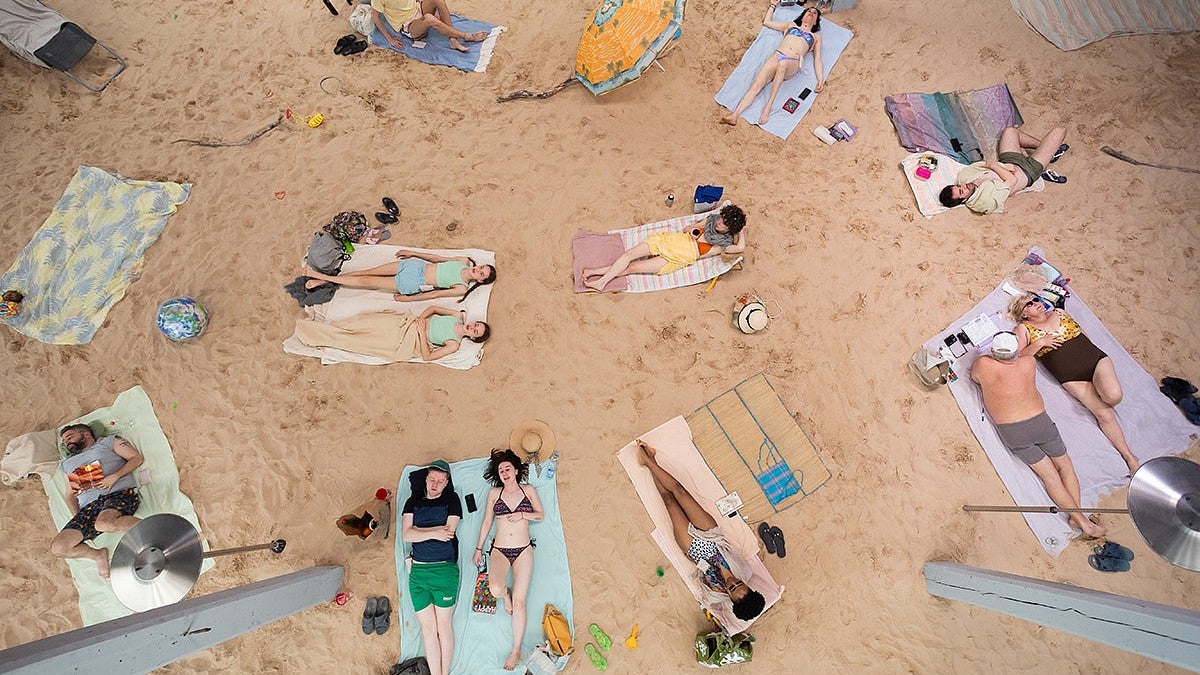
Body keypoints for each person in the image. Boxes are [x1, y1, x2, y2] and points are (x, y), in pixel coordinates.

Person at [971, 332, 1106, 537]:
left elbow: (976, 378)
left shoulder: (983, 364)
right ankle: (1078, 517)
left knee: (1049, 476)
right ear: (1016, 351)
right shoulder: (1028, 363)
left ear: (993, 352)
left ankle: (1080, 520)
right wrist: (1040, 343)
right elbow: (1024, 357)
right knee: (1065, 467)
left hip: (1012, 429)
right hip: (1039, 422)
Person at [636, 439, 767, 621]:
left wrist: (695, 561)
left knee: (669, 501)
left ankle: (650, 463)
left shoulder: (714, 595)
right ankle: (649, 461)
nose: (732, 582)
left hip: (694, 550)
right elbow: (727, 547)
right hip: (712, 537)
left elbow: (703, 584)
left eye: (731, 588)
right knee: (680, 492)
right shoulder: (745, 571)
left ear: (730, 599)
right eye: (739, 583)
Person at [1009, 292, 1140, 474]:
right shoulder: (1023, 329)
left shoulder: (1059, 313)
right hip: (1071, 377)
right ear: (1024, 314)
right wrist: (1040, 343)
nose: (1036, 303)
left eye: (1036, 299)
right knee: (1104, 415)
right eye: (1029, 304)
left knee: (1113, 397)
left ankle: (1102, 392)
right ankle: (1130, 457)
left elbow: (1083, 334)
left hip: (1096, 362)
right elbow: (1018, 356)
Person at [472, 449, 545, 670]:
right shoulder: (495, 494)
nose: (504, 472)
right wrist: (478, 548)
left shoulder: (528, 490)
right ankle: (506, 595)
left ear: (515, 470)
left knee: (521, 604)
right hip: (500, 550)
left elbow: (540, 515)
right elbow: (486, 522)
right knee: (494, 589)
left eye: (507, 468)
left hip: (523, 550)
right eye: (500, 470)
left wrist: (523, 514)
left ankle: (515, 651)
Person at [50, 424, 144, 579]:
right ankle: (98, 555)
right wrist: (78, 515)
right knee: (58, 547)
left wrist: (114, 476)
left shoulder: (108, 442)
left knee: (103, 523)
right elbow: (69, 495)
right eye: (64, 441)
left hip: (116, 494)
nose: (66, 443)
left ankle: (154, 528)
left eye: (70, 437)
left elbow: (136, 458)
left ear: (86, 434)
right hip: (89, 508)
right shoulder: (67, 464)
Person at [582, 204, 748, 292]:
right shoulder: (712, 219)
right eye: (722, 218)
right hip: (671, 241)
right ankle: (597, 276)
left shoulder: (724, 244)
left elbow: (740, 247)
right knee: (628, 255)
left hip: (679, 258)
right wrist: (693, 231)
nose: (720, 222)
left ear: (731, 228)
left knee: (633, 267)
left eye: (725, 223)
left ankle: (599, 280)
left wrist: (740, 232)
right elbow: (687, 229)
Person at [402, 460, 462, 675]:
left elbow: (449, 532)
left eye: (440, 481)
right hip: (417, 573)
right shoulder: (412, 502)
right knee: (428, 630)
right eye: (432, 479)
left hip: (443, 571)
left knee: (443, 626)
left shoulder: (451, 500)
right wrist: (434, 532)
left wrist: (420, 530)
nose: (435, 484)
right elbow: (406, 535)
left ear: (446, 483)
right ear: (426, 480)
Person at [722, 5, 824, 127]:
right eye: (809, 11)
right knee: (756, 84)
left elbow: (817, 59)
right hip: (777, 55)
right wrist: (772, 6)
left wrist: (820, 80)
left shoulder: (816, 37)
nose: (811, 13)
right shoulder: (790, 25)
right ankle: (734, 115)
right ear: (803, 15)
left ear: (816, 21)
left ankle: (768, 106)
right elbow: (767, 22)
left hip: (793, 62)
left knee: (783, 64)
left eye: (814, 13)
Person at [938, 127, 1070, 214]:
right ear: (963, 200)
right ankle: (1048, 154)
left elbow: (982, 164)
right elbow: (1012, 179)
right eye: (962, 191)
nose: (963, 186)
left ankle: (1050, 152)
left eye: (958, 186)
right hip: (1028, 171)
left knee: (1010, 131)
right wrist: (994, 166)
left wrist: (1004, 167)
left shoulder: (964, 177)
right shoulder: (984, 200)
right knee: (1060, 131)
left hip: (1009, 160)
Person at [294, 305, 490, 362]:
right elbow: (431, 308)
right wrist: (420, 319)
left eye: (475, 331)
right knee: (362, 321)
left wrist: (422, 333)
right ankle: (324, 325)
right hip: (407, 323)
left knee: (359, 339)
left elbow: (428, 356)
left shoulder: (454, 344)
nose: (472, 327)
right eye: (476, 325)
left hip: (407, 340)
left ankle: (313, 333)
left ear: (472, 338)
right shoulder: (457, 315)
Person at [303, 250, 496, 303]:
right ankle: (322, 280)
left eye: (481, 274)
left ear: (480, 280)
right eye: (481, 267)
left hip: (412, 282)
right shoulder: (462, 261)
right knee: (369, 271)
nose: (478, 270)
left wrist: (408, 299)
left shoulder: (461, 287)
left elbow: (434, 295)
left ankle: (320, 277)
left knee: (366, 281)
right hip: (415, 266)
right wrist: (413, 253)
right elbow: (436, 258)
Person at [371, 0, 488, 53]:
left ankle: (453, 39)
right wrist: (389, 39)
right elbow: (375, 16)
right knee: (429, 19)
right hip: (408, 24)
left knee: (439, 1)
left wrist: (432, 8)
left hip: (417, 9)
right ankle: (466, 36)